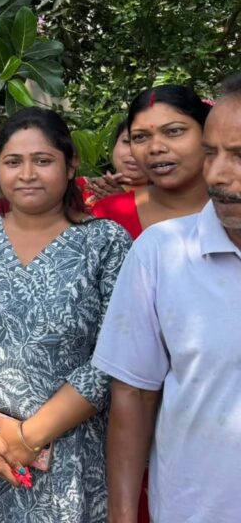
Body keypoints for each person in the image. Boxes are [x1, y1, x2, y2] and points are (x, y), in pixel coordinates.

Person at [0, 107, 132, 523]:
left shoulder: (104, 242)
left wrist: (29, 437)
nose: (27, 173)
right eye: (13, 162)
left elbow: (114, 354)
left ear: (70, 165)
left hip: (71, 456)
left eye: (42, 160)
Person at [92, 72, 241, 523]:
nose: (216, 174)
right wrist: (122, 514)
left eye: (239, 155)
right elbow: (133, 393)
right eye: (213, 153)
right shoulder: (157, 251)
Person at [92, 86, 210, 239]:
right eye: (140, 137)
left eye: (174, 131)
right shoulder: (108, 216)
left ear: (207, 133)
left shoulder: (234, 205)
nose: (155, 148)